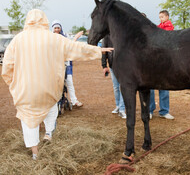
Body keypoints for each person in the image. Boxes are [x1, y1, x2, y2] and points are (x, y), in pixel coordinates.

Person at [1, 9, 113, 160]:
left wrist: (14, 85)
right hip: (48, 88)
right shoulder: (53, 38)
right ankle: (48, 133)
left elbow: (7, 68)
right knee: (51, 108)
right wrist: (99, 50)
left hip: (25, 91)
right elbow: (77, 48)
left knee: (28, 121)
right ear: (44, 20)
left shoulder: (17, 40)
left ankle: (35, 153)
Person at [52, 20, 83, 107]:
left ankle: (74, 100)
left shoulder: (65, 37)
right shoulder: (50, 38)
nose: (57, 29)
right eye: (55, 28)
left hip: (66, 64)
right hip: (55, 64)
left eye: (58, 28)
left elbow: (71, 45)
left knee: (69, 82)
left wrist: (76, 37)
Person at [149, 10, 174, 120]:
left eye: (163, 17)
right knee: (150, 88)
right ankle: (150, 110)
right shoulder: (159, 27)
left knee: (164, 88)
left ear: (167, 17)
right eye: (159, 17)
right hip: (154, 62)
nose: (161, 19)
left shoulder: (169, 27)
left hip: (164, 62)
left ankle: (164, 111)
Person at [101, 35, 126, 119]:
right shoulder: (106, 36)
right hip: (112, 66)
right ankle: (118, 106)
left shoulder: (122, 32)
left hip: (123, 65)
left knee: (122, 87)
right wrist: (104, 66)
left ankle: (122, 109)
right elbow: (103, 51)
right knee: (116, 87)